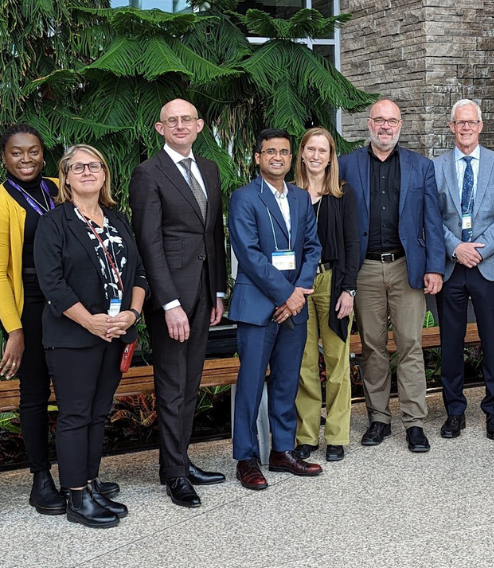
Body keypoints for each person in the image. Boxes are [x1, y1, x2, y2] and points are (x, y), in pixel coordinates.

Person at [34, 144, 148, 528]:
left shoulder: (118, 220)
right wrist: (91, 322)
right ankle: (76, 497)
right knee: (75, 414)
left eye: (94, 165)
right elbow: (53, 284)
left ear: (104, 173)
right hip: (73, 336)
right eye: (77, 167)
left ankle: (90, 481)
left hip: (116, 333)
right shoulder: (54, 223)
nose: (87, 172)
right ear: (65, 177)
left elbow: (140, 275)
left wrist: (131, 313)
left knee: (99, 413)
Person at [129, 99, 227, 508]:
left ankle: (181, 460)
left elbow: (212, 233)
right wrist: (168, 302)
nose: (181, 125)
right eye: (173, 120)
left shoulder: (208, 169)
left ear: (199, 125)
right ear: (159, 127)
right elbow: (148, 242)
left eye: (188, 119)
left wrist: (219, 290)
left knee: (190, 385)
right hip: (171, 298)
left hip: (204, 292)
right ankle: (173, 474)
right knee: (171, 386)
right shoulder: (147, 173)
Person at [338, 99, 445, 453]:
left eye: (392, 121)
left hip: (406, 266)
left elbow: (432, 220)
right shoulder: (347, 165)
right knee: (372, 347)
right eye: (379, 120)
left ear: (401, 125)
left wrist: (434, 266)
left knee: (411, 344)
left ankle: (414, 422)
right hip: (364, 268)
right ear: (369, 124)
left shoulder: (420, 166)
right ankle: (379, 418)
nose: (385, 127)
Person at [0, 124, 70, 515]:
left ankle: (78, 473)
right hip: (30, 307)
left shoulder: (60, 189)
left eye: (33, 151)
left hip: (70, 303)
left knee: (73, 392)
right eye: (17, 153)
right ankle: (40, 478)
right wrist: (13, 329)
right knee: (34, 396)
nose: (26, 159)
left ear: (43, 154)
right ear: (4, 158)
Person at [228, 129, 323, 490]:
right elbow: (249, 254)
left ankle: (282, 451)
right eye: (270, 152)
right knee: (251, 384)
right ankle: (247, 457)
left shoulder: (300, 198)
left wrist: (298, 292)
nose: (278, 158)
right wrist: (287, 295)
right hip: (258, 306)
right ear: (257, 157)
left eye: (284, 152)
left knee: (286, 381)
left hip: (294, 304)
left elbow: (312, 246)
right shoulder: (244, 198)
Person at [433, 99, 494, 441]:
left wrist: (478, 249)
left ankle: (493, 411)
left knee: (492, 341)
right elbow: (431, 217)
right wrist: (455, 247)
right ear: (451, 127)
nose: (466, 128)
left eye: (471, 122)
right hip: (452, 266)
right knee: (450, 342)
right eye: (459, 123)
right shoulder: (435, 167)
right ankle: (455, 412)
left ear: (481, 126)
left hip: (488, 264)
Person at [291, 127, 360, 462]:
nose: (317, 156)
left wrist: (349, 289)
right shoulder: (288, 194)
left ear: (331, 157)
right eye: (311, 149)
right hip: (298, 289)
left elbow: (352, 245)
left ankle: (336, 435)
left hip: (333, 282)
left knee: (336, 363)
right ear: (301, 153)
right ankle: (305, 435)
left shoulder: (343, 194)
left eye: (323, 150)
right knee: (303, 364)